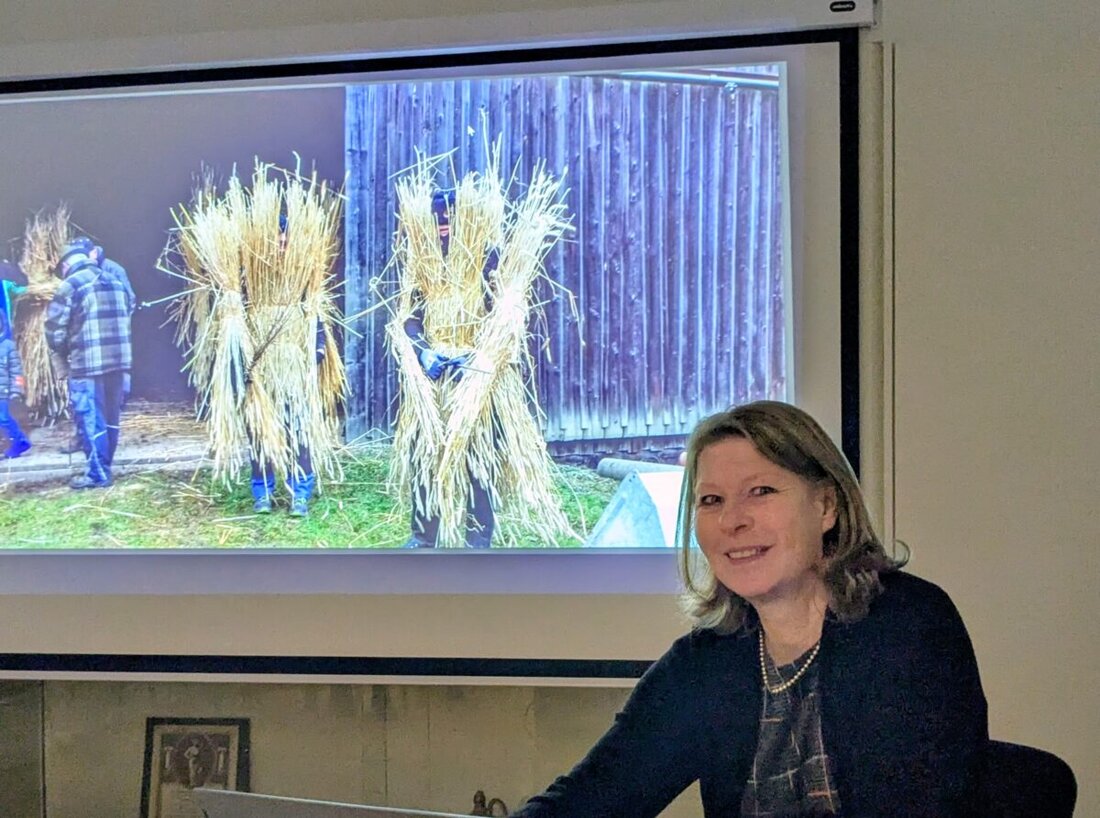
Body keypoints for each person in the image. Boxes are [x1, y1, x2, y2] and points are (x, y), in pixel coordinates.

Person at [514, 401, 988, 817]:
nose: (732, 520)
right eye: (711, 500)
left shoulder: (909, 625)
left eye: (760, 492)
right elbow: (595, 796)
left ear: (826, 506)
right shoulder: (706, 663)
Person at [401, 189, 494, 548]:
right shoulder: (423, 261)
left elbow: (505, 315)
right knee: (425, 455)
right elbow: (409, 319)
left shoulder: (487, 257)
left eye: (448, 218)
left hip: (479, 376)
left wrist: (479, 356)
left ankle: (478, 539)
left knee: (478, 458)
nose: (442, 225)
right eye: (436, 218)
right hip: (435, 373)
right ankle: (423, 536)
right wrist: (424, 353)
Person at [44, 242, 132, 489]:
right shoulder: (115, 281)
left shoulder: (71, 285)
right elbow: (129, 309)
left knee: (91, 418)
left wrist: (63, 354)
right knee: (112, 418)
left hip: (87, 364)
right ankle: (105, 466)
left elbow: (54, 331)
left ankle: (98, 475)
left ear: (65, 265)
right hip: (119, 362)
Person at [0, 308, 31, 459]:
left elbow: (17, 371)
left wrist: (17, 390)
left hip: (3, 392)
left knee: (4, 419)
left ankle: (20, 441)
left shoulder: (8, 346)